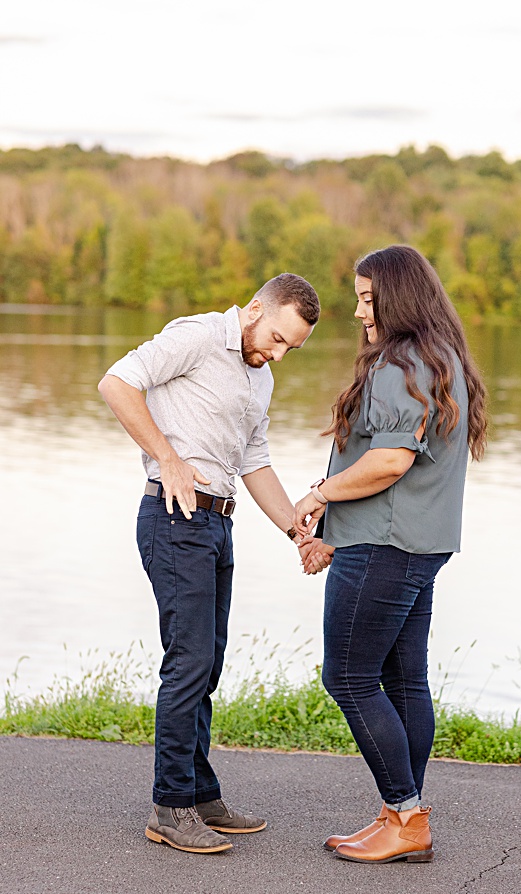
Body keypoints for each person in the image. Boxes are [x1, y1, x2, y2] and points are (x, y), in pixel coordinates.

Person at [98, 274, 321, 854]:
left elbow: (255, 459)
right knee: (189, 660)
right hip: (175, 517)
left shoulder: (261, 378)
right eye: (275, 337)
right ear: (255, 309)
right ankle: (170, 808)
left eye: (288, 349)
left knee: (208, 662)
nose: (276, 353)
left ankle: (198, 792)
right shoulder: (197, 337)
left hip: (219, 523)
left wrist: (298, 530)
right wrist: (166, 457)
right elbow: (117, 382)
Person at [290, 244, 488, 864]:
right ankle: (403, 816)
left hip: (383, 544)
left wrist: (319, 496)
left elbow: (388, 461)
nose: (357, 312)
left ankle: (404, 815)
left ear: (398, 300)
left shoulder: (400, 364)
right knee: (405, 681)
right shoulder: (442, 359)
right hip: (421, 544)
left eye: (368, 299)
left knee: (347, 677)